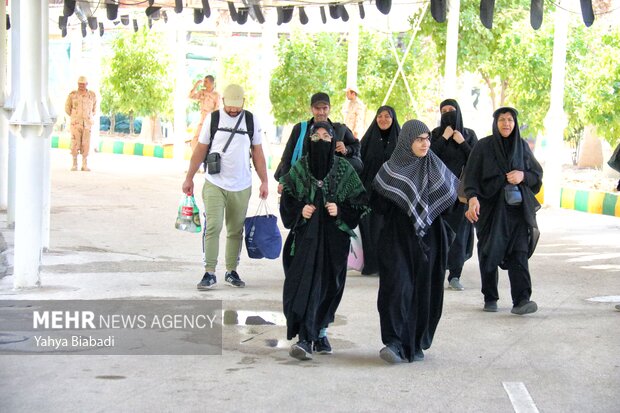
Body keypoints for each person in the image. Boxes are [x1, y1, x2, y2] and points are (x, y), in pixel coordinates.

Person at [279, 121, 369, 361]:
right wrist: (301, 211)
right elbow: (287, 198)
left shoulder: (344, 169)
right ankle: (304, 338)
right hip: (305, 242)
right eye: (316, 136)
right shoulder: (300, 168)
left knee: (329, 285)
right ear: (309, 140)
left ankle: (320, 332)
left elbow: (359, 202)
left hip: (334, 242)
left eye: (326, 136)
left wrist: (339, 210)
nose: (321, 140)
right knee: (303, 284)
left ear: (333, 140)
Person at [372, 120, 458, 364]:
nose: (425, 143)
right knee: (396, 286)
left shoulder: (436, 166)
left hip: (430, 241)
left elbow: (451, 203)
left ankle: (417, 341)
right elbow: (377, 205)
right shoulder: (389, 170)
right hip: (397, 237)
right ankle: (394, 342)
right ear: (407, 140)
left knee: (426, 290)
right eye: (419, 139)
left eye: (427, 138)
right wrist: (396, 196)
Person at [182, 84, 268, 290]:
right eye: (229, 106)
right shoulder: (213, 119)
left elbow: (257, 152)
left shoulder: (250, 120)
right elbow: (200, 150)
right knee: (213, 226)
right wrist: (189, 178)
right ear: (223, 103)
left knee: (235, 230)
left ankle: (231, 271)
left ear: (243, 103)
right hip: (215, 183)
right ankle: (209, 272)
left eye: (237, 107)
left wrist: (264, 180)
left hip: (242, 185)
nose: (233, 110)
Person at [464, 107, 543, 315]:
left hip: (517, 212)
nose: (506, 123)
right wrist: (472, 199)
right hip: (490, 211)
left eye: (510, 120)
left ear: (515, 123)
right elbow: (470, 178)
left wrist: (522, 176)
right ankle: (490, 296)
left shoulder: (522, 147)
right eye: (502, 120)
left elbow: (537, 176)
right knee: (490, 252)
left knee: (520, 253)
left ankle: (522, 300)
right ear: (495, 123)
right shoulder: (483, 147)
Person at [430, 99, 479, 291]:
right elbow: (429, 156)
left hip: (460, 195)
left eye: (451, 110)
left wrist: (462, 142)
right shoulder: (434, 134)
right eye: (443, 111)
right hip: (437, 193)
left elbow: (477, 159)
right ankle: (437, 273)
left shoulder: (469, 134)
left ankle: (455, 275)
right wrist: (444, 138)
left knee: (459, 235)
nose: (447, 113)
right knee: (438, 235)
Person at [274, 92, 362, 192]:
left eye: (325, 108)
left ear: (330, 108)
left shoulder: (339, 130)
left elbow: (356, 145)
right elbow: (287, 157)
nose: (321, 112)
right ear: (311, 109)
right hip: (302, 185)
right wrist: (284, 181)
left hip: (330, 189)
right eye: (317, 108)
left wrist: (346, 149)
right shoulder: (300, 129)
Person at [358, 105, 401, 276]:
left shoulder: (401, 140)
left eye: (387, 116)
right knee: (371, 230)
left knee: (390, 232)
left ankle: (388, 266)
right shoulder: (368, 139)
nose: (383, 119)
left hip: (394, 196)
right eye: (380, 116)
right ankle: (371, 265)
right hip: (371, 194)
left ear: (393, 118)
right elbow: (358, 163)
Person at [65, 75, 97, 172]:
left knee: (86, 144)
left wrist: (88, 116)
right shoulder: (72, 95)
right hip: (76, 124)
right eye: (79, 84)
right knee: (75, 143)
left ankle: (84, 164)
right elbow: (67, 108)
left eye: (83, 84)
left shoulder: (92, 95)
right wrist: (75, 116)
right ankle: (74, 164)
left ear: (87, 84)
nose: (81, 86)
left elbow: (94, 109)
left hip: (87, 124)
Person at [189, 75, 221, 151]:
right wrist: (196, 85)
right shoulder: (202, 92)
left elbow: (217, 108)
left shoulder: (216, 95)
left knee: (210, 139)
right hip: (202, 118)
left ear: (211, 83)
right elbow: (191, 96)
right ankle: (196, 156)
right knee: (195, 139)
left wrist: (215, 121)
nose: (204, 83)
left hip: (211, 119)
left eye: (206, 81)